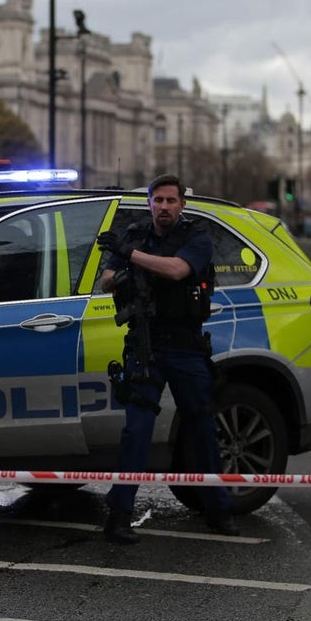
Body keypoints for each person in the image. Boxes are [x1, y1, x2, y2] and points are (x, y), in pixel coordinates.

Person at [96, 174, 240, 544]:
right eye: (157, 200)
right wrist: (121, 268)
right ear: (149, 203)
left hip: (186, 345)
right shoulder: (135, 234)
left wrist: (131, 256)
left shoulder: (197, 236)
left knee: (202, 427)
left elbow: (178, 270)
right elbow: (106, 280)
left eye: (170, 201)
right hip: (146, 342)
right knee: (137, 430)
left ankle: (217, 509)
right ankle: (120, 514)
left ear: (182, 204)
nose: (163, 207)